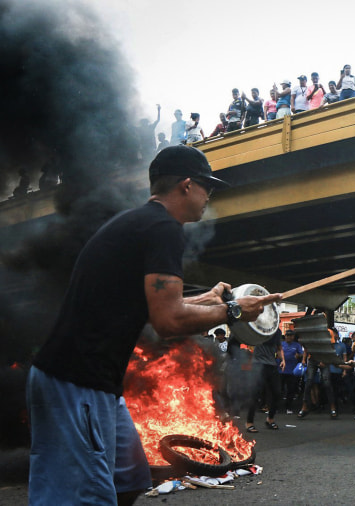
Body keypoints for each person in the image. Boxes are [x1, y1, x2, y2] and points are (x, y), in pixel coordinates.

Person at [26, 145, 282, 505]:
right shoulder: (164, 228)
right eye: (207, 186)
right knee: (83, 498)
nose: (209, 195)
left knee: (130, 479)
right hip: (75, 382)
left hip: (94, 385)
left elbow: (149, 307)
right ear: (187, 185)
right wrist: (235, 312)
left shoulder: (139, 223)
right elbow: (168, 321)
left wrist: (206, 301)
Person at [246, 330, 285, 433]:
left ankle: (270, 419)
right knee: (255, 394)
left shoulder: (277, 332)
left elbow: (279, 348)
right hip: (258, 364)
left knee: (277, 393)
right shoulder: (260, 328)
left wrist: (283, 360)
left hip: (271, 365)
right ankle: (249, 422)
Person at [280, 329, 304, 414]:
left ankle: (289, 407)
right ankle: (277, 407)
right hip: (281, 371)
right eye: (287, 335)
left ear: (293, 337)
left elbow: (302, 354)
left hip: (292, 371)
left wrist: (298, 355)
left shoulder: (297, 345)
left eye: (290, 336)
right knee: (279, 389)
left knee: (291, 390)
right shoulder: (281, 344)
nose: (288, 337)